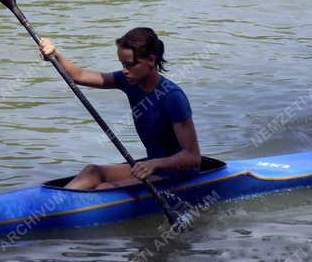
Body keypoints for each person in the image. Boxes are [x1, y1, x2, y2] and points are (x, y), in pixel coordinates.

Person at [36, 27, 201, 190]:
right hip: (151, 169)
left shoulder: (173, 97)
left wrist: (154, 164)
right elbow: (79, 76)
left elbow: (193, 157)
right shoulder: (130, 81)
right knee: (92, 172)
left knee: (103, 189)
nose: (125, 71)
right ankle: (55, 207)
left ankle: (62, 210)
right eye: (122, 64)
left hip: (179, 176)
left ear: (151, 60)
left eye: (129, 64)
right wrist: (55, 55)